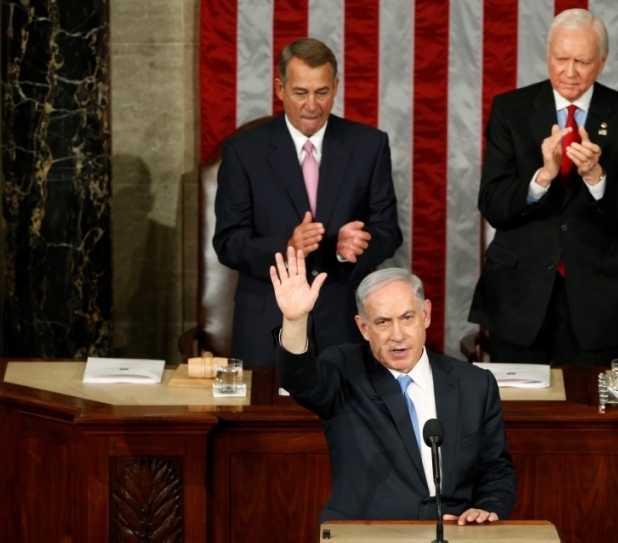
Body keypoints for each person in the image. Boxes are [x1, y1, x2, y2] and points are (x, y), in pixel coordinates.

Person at [271, 246, 517, 524]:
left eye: (407, 318)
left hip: (452, 533)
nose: (397, 335)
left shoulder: (474, 384)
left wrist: (487, 507)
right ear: (364, 328)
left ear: (425, 315)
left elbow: (496, 469)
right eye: (383, 322)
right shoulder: (344, 370)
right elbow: (299, 380)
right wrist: (295, 321)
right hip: (366, 534)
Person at [469, 9, 618, 366]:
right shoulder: (511, 110)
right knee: (518, 418)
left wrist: (595, 176)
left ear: (602, 62)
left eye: (583, 61)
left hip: (597, 300)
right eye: (561, 59)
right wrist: (541, 177)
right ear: (547, 56)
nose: (570, 72)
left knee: (591, 418)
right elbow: (492, 203)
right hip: (517, 296)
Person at [214, 38, 402, 366]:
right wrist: (288, 246)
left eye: (322, 92)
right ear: (280, 87)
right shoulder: (243, 151)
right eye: (300, 93)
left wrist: (352, 250)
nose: (311, 105)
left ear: (336, 86)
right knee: (265, 418)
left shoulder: (368, 146)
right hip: (266, 323)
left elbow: (388, 231)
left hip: (344, 320)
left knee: (347, 415)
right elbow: (228, 242)